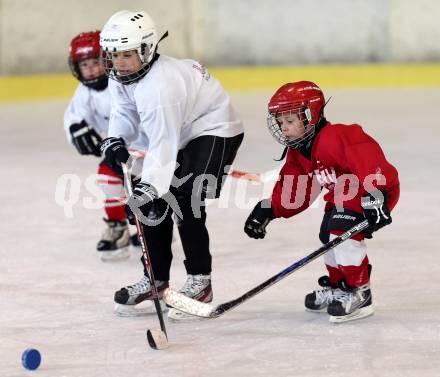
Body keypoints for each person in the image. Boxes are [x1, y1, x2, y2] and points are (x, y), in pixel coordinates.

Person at [99, 10, 244, 319]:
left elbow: (163, 147)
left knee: (185, 199)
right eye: (113, 54)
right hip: (180, 130)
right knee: (154, 206)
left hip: (213, 127)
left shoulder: (159, 88)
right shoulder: (120, 77)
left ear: (146, 49)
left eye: (126, 54)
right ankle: (156, 279)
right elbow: (123, 112)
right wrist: (114, 139)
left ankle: (200, 282)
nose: (119, 61)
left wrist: (146, 190)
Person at [244, 81, 400, 323]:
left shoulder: (338, 135)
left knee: (341, 233)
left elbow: (368, 158)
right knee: (328, 236)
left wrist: (376, 196)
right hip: (342, 198)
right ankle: (340, 287)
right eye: (280, 122)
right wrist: (269, 208)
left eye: (289, 121)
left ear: (309, 116)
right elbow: (295, 192)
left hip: (373, 193)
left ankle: (360, 291)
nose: (283, 128)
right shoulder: (299, 153)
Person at [64, 31, 143, 261]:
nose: (90, 69)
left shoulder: (125, 82)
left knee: (143, 188)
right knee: (107, 177)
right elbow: (73, 118)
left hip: (147, 151)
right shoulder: (84, 94)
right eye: (84, 64)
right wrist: (75, 131)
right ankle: (118, 227)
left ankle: (149, 226)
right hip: (120, 151)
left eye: (95, 62)